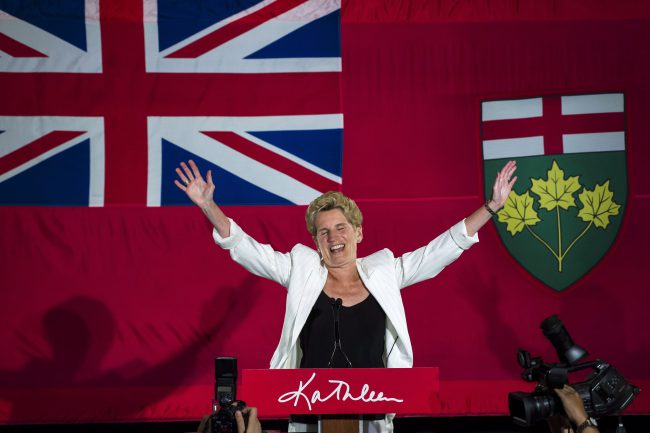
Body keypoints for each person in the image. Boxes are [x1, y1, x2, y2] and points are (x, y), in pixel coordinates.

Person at [176, 159, 517, 432]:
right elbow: (247, 248)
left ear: (358, 232)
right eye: (323, 231)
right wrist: (209, 206)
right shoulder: (301, 270)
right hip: (308, 416)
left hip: (373, 415)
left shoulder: (385, 271)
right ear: (316, 243)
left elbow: (438, 250)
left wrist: (490, 208)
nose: (333, 236)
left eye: (340, 227)